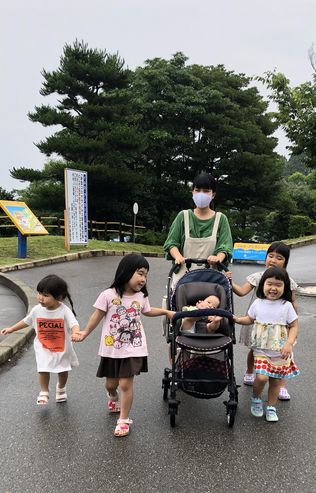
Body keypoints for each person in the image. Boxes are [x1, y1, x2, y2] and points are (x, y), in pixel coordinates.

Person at [74, 254, 175, 438]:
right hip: (112, 349)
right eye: (140, 273)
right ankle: (112, 396)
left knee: (126, 384)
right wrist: (84, 332)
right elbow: (96, 316)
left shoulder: (141, 296)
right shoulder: (108, 295)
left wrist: (166, 312)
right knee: (111, 384)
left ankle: (123, 420)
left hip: (133, 348)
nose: (143, 279)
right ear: (126, 271)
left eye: (146, 275)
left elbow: (148, 311)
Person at [231, 241, 297, 401]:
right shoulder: (258, 277)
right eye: (270, 256)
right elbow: (241, 291)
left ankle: (281, 385)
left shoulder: (288, 281)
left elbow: (293, 304)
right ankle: (249, 371)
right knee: (254, 350)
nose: (273, 260)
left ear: (286, 261)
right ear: (266, 257)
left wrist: (291, 328)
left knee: (283, 357)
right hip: (257, 321)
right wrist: (229, 281)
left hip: (279, 326)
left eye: (279, 257)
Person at [1, 274, 80, 405]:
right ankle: (44, 392)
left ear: (59, 297)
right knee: (43, 368)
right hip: (43, 347)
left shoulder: (64, 311)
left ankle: (61, 387)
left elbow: (74, 324)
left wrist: (76, 333)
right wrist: (11, 329)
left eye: (45, 295)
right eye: (39, 293)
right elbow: (26, 321)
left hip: (61, 347)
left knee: (62, 370)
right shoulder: (37, 310)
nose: (40, 298)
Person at [234, 266, 299, 422]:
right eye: (270, 284)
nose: (273, 288)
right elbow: (249, 319)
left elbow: (294, 325)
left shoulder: (287, 305)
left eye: (278, 285)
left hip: (280, 350)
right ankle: (256, 398)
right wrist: (236, 319)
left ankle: (271, 406)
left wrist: (289, 343)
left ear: (285, 287)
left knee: (275, 380)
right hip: (261, 349)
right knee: (262, 378)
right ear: (263, 285)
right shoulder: (258, 303)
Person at [163, 172, 233, 287]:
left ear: (213, 194)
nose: (201, 194)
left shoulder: (221, 219)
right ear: (192, 191)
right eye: (198, 190)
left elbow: (225, 247)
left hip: (211, 280)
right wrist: (178, 256)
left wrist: (218, 258)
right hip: (183, 279)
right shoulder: (183, 216)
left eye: (206, 191)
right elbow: (171, 243)